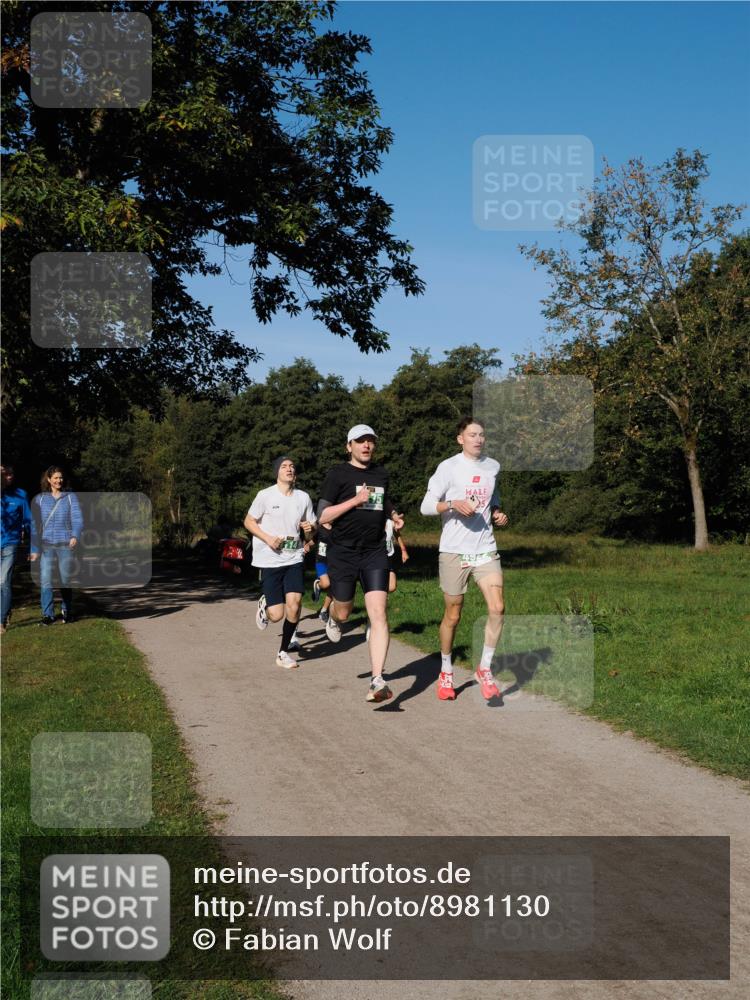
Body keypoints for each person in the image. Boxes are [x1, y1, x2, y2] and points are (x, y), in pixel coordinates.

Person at [420, 417, 509, 702]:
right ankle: (446, 671)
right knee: (454, 614)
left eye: (482, 434)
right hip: (454, 550)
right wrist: (451, 504)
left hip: (485, 548)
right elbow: (425, 506)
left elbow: (492, 495)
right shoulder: (448, 467)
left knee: (498, 608)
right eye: (472, 435)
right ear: (461, 439)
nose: (478, 439)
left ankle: (484, 669)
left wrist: (496, 511)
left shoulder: (492, 466)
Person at [318, 424, 404, 703]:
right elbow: (323, 515)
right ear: (349, 446)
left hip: (374, 551)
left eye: (370, 441)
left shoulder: (381, 474)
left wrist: (393, 515)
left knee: (378, 614)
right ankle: (331, 615)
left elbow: (385, 501)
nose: (366, 445)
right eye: (360, 441)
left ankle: (377, 679)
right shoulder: (337, 474)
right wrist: (355, 500)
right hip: (342, 552)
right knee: (343, 612)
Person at [244, 457, 315, 669]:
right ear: (277, 472)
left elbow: (311, 532)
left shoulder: (303, 498)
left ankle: (283, 652)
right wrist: (267, 538)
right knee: (277, 615)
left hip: (294, 558)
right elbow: (248, 521)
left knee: (295, 605)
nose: (289, 469)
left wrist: (309, 532)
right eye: (284, 466)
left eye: (292, 466)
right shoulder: (265, 495)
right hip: (270, 559)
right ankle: (265, 606)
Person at [30, 466, 84, 626]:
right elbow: (35, 523)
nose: (59, 480)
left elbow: (77, 518)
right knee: (46, 579)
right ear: (48, 479)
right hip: (46, 544)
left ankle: (66, 611)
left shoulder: (70, 497)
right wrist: (34, 548)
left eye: (60, 478)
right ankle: (48, 614)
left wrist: (75, 535)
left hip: (65, 544)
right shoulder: (40, 499)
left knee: (65, 579)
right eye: (55, 478)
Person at [1, 463, 32, 634]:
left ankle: (1, 620)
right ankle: (5, 610)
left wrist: (33, 547)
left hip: (10, 543)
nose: (8, 477)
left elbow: (28, 521)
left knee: (4, 581)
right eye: (4, 474)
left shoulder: (20, 495)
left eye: (10, 474)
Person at [312, 523, 333, 623]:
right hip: (321, 561)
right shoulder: (320, 528)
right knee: (326, 584)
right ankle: (319, 585)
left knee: (334, 587)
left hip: (333, 562)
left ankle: (324, 610)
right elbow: (313, 540)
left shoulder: (339, 527)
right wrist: (306, 546)